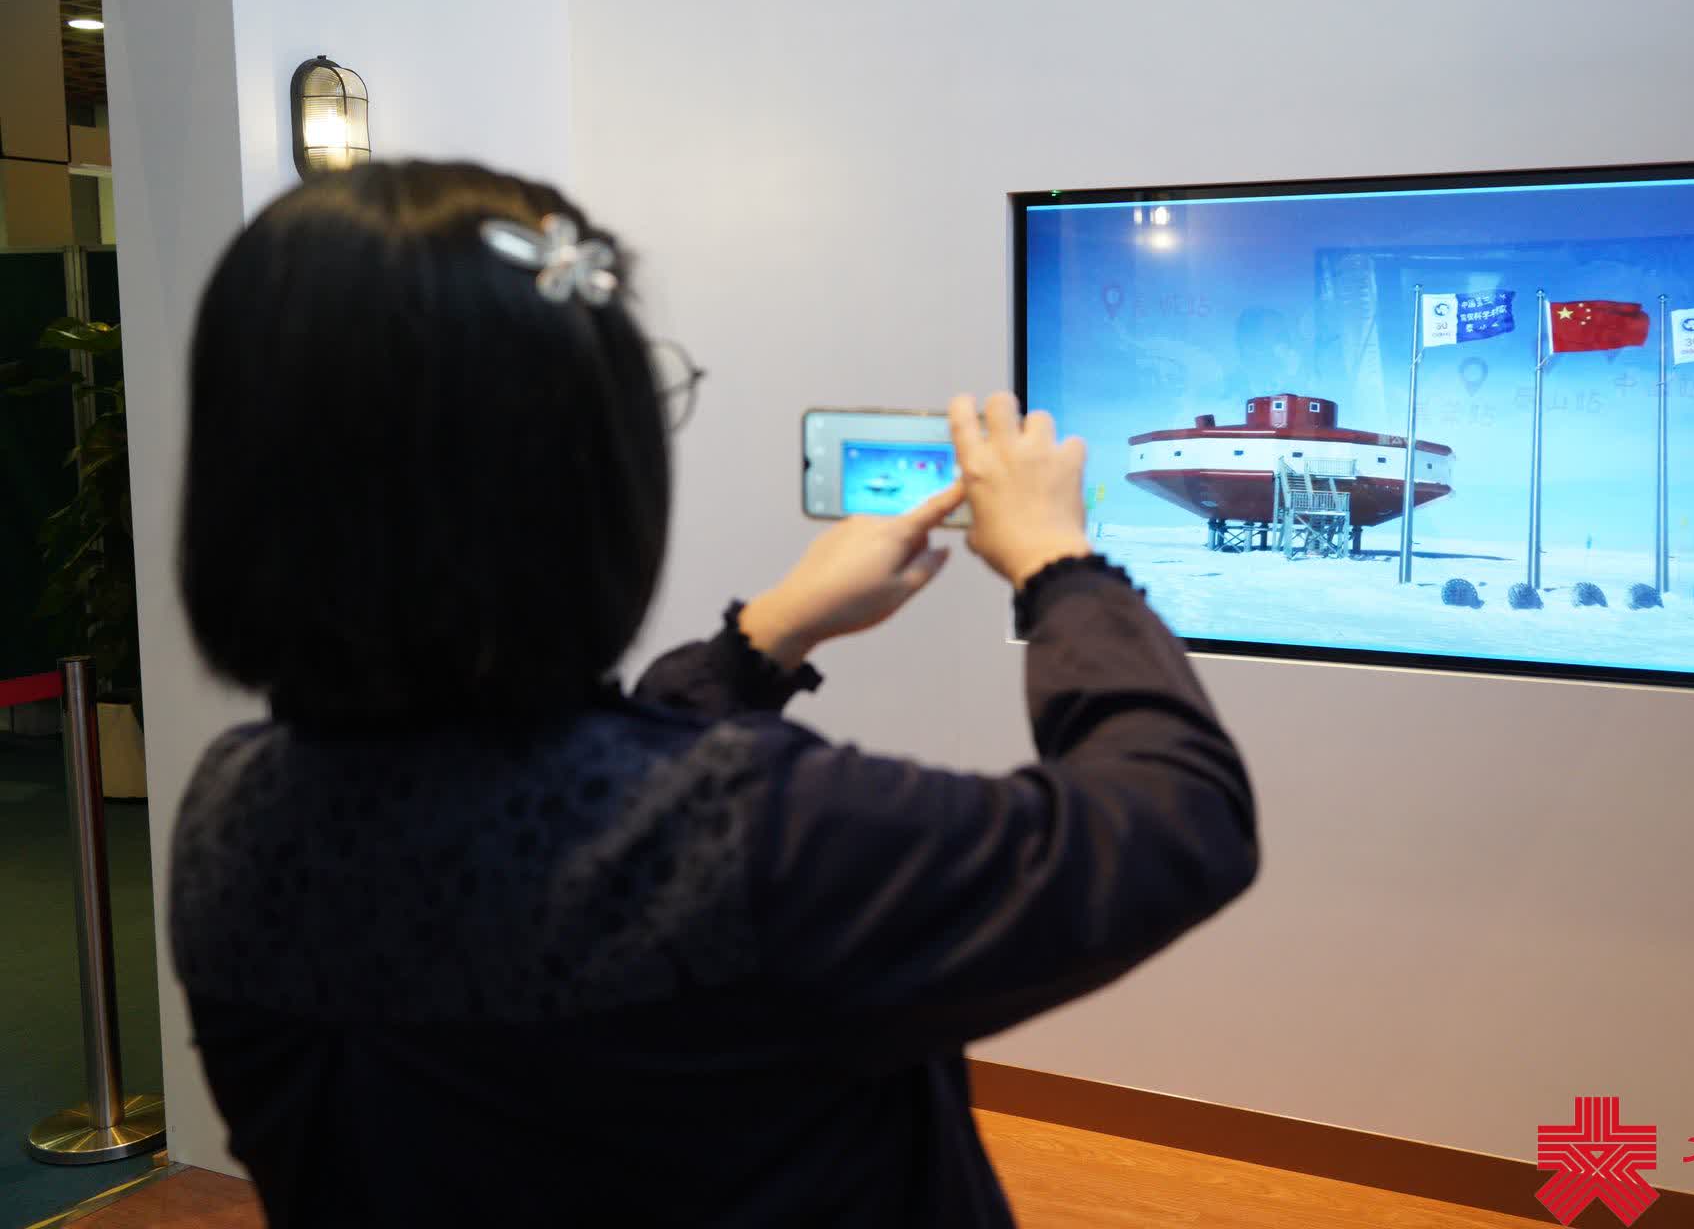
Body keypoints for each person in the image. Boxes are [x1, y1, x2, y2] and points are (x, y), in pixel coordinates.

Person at [169, 160, 1258, 1227]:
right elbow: (1177, 818)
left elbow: (573, 821)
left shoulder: (229, 821)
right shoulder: (761, 834)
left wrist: (766, 634)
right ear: (584, 481)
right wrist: (1061, 565)